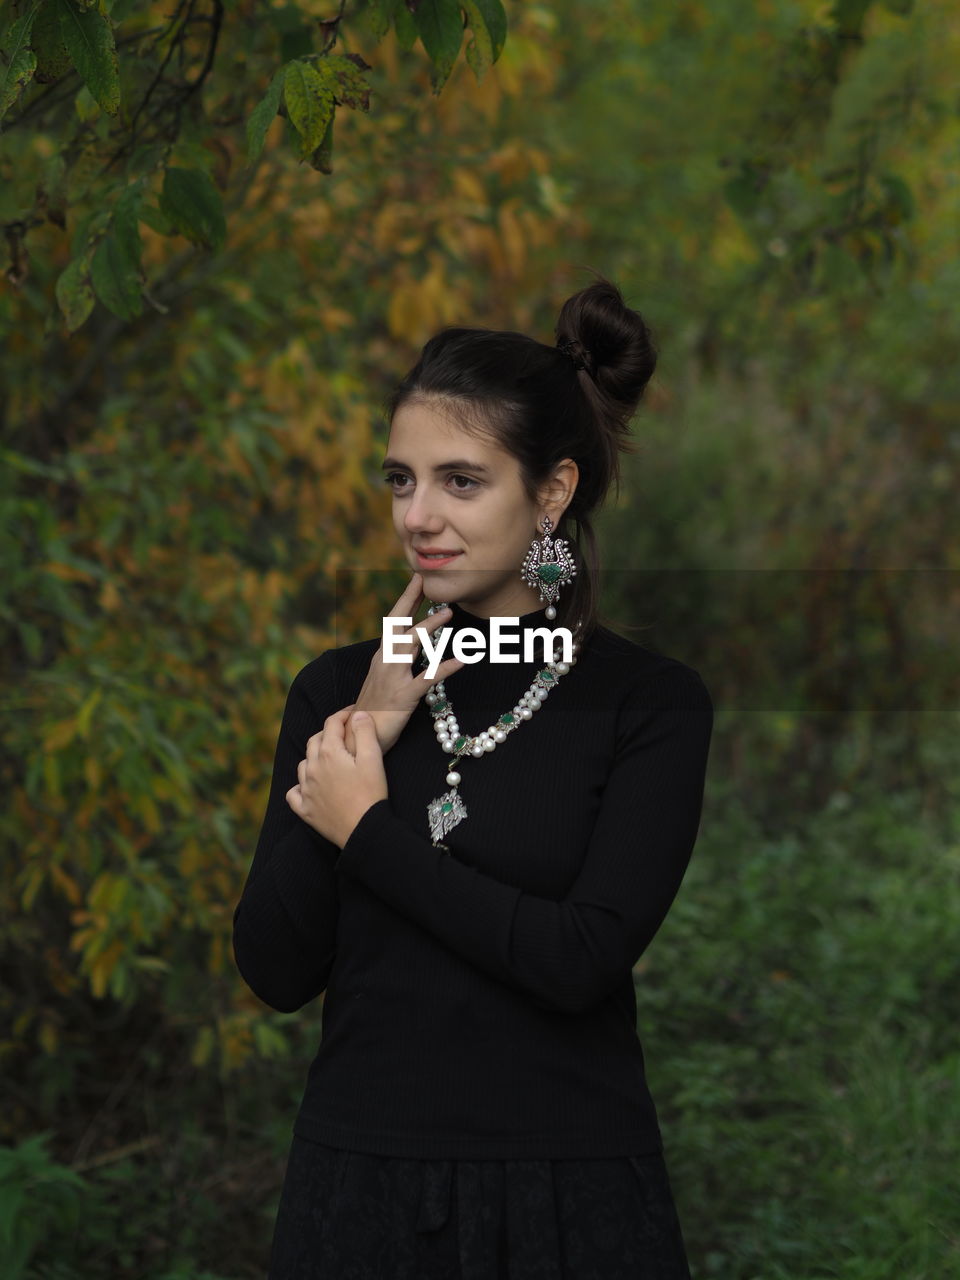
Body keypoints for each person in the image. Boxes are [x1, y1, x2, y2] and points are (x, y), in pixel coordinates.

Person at [232, 276, 715, 1278]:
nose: (419, 514)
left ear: (551, 491)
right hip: (359, 1182)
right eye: (400, 479)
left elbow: (579, 957)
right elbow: (275, 969)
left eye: (461, 480)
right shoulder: (337, 690)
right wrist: (370, 718)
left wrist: (366, 830)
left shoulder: (647, 703)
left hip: (568, 1188)